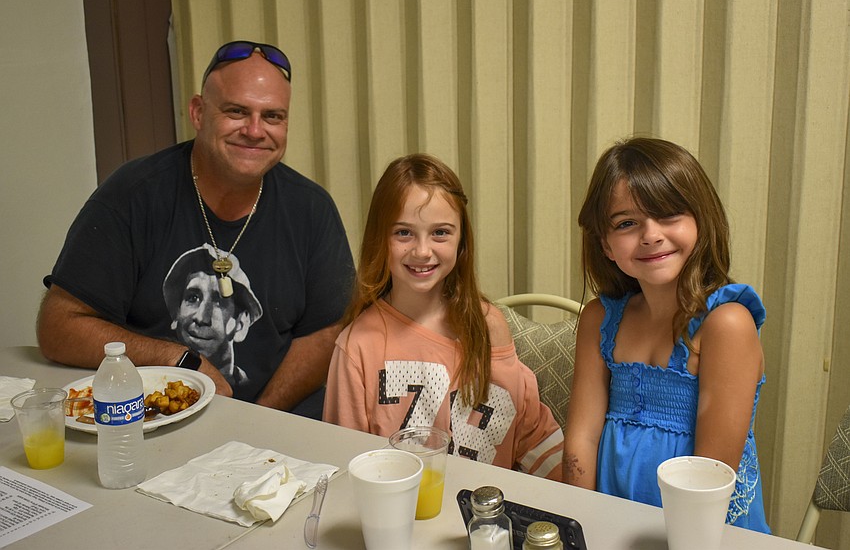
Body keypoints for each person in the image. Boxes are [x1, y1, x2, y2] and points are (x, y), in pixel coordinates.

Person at [37, 40, 355, 419]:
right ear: (199, 112)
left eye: (272, 117)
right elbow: (58, 327)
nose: (255, 131)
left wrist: (258, 419)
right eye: (237, 111)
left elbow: (324, 332)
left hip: (275, 424)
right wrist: (181, 360)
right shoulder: (134, 194)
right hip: (154, 423)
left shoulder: (312, 209)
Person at [562, 136, 770, 532]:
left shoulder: (726, 325)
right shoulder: (599, 319)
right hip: (608, 521)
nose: (651, 234)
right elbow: (581, 442)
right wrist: (581, 526)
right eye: (626, 223)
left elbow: (710, 479)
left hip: (701, 530)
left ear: (700, 221)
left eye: (669, 214)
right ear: (605, 244)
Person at [323, 153, 564, 481]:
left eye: (440, 233)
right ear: (380, 238)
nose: (422, 251)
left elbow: (528, 434)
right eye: (404, 233)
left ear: (462, 239)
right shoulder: (356, 347)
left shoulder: (488, 324)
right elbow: (346, 467)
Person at [163, 244, 262, 386]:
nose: (201, 317)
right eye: (192, 298)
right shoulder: (157, 385)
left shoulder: (249, 388)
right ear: (176, 312)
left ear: (241, 324)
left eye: (219, 302)